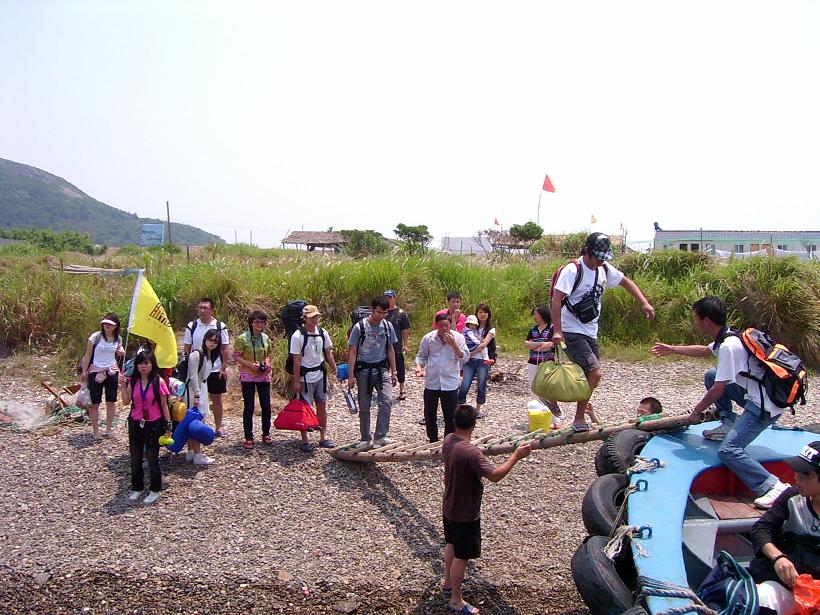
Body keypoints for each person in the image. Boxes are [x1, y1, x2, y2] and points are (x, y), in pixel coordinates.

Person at [651, 296, 788, 508]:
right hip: (759, 394)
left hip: (764, 406)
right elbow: (704, 351)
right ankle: (728, 422)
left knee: (729, 451)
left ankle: (773, 486)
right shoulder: (729, 335)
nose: (695, 323)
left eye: (696, 319)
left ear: (706, 321)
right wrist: (672, 349)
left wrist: (696, 412)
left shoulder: (728, 347)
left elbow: (718, 390)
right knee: (711, 374)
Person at [551, 232, 655, 431]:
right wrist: (557, 330)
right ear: (587, 252)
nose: (601, 261)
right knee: (595, 373)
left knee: (589, 376)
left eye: (603, 258)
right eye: (598, 257)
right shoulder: (573, 270)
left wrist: (644, 302)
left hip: (591, 330)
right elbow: (556, 299)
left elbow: (625, 282)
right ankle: (578, 419)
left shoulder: (604, 269)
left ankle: (553, 397)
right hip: (571, 329)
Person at [442, 404, 532, 614]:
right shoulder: (472, 453)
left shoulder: (448, 440)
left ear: (454, 422)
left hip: (449, 506)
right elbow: (495, 475)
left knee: (451, 544)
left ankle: (447, 582)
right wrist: (516, 456)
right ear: (474, 424)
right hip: (465, 512)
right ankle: (456, 600)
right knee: (462, 556)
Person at [749, 441, 820, 615]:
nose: (796, 477)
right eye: (797, 471)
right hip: (787, 586)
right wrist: (778, 557)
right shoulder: (792, 498)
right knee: (761, 600)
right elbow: (761, 529)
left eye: (804, 474)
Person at [119, 349, 172, 504]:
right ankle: (137, 487)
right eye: (140, 363)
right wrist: (122, 386)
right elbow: (126, 401)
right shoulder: (133, 381)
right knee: (135, 457)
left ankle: (155, 489)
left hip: (153, 423)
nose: (143, 366)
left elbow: (164, 405)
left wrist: (168, 426)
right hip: (136, 422)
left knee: (152, 457)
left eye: (146, 363)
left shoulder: (158, 381)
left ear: (152, 364)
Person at [347, 296, 398, 449]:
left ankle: (380, 436)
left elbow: (390, 349)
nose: (381, 316)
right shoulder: (359, 327)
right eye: (379, 312)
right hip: (364, 370)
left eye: (384, 313)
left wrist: (394, 371)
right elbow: (353, 351)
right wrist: (351, 375)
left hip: (382, 369)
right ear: (372, 310)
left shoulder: (387, 326)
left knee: (386, 401)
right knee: (364, 406)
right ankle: (365, 437)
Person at [290, 304, 339, 451]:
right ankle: (305, 440)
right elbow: (296, 360)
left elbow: (328, 353)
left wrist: (336, 370)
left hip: (320, 375)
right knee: (304, 409)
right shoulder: (297, 336)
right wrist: (296, 381)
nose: (314, 320)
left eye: (316, 317)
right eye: (311, 317)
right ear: (304, 318)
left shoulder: (323, 333)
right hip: (305, 377)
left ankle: (323, 437)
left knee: (322, 406)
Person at [416, 313, 470, 443]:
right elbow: (421, 355)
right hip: (432, 382)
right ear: (436, 325)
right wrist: (419, 367)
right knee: (430, 413)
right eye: (441, 326)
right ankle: (433, 439)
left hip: (450, 382)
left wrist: (453, 345)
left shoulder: (458, 338)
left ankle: (448, 441)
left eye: (446, 325)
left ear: (451, 325)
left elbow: (464, 358)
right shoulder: (429, 338)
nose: (444, 329)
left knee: (450, 415)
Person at [182, 298, 231, 437]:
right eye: (200, 308)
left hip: (215, 368)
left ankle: (218, 427)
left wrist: (223, 368)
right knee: (195, 398)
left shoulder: (220, 326)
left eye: (205, 308)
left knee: (216, 398)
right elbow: (187, 347)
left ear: (212, 310)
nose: (202, 310)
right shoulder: (192, 326)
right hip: (197, 370)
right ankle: (197, 426)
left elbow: (225, 348)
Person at [80, 313, 125, 439]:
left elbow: (120, 350)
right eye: (105, 323)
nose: (107, 326)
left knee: (111, 401)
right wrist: (84, 371)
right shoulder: (96, 337)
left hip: (112, 371)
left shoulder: (118, 339)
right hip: (96, 370)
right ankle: (96, 431)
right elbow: (88, 355)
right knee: (95, 402)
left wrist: (121, 351)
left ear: (116, 326)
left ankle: (108, 429)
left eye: (110, 324)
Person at [233, 310, 273, 450]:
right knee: (249, 407)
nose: (260, 324)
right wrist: (250, 365)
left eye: (262, 322)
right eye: (257, 322)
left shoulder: (266, 338)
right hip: (248, 376)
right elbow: (236, 356)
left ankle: (266, 433)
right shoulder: (242, 338)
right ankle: (248, 437)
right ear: (251, 323)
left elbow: (269, 354)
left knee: (266, 405)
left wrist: (266, 364)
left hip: (263, 376)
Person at [181, 329, 222, 465]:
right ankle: (197, 454)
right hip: (194, 391)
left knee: (191, 421)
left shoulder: (209, 355)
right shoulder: (196, 354)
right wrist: (197, 394)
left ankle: (191, 452)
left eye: (216, 341)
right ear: (205, 339)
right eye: (211, 340)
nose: (212, 343)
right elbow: (192, 375)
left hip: (202, 388)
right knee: (196, 422)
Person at [524, 304, 564, 424]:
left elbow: (552, 344)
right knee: (534, 388)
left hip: (547, 362)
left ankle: (555, 418)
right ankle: (541, 416)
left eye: (536, 314)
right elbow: (526, 344)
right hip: (533, 361)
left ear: (542, 314)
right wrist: (540, 344)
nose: (534, 316)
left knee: (549, 389)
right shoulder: (533, 329)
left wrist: (536, 345)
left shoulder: (552, 328)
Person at [457, 310, 494, 419]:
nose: (482, 315)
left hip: (482, 361)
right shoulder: (469, 328)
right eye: (480, 312)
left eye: (485, 312)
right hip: (470, 361)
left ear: (488, 315)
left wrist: (470, 354)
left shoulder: (490, 330)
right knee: (465, 384)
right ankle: (459, 408)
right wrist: (470, 354)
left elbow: (484, 344)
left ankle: (477, 410)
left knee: (481, 385)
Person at [384, 290, 411, 401]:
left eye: (390, 297)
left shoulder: (401, 313)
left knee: (400, 368)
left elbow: (405, 329)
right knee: (384, 369)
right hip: (383, 346)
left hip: (397, 345)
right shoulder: (382, 312)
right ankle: (384, 390)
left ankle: (402, 389)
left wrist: (405, 344)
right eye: (386, 297)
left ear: (395, 298)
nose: (388, 300)